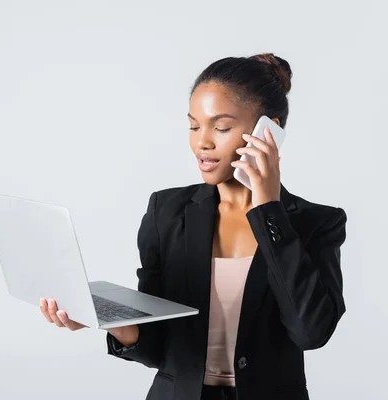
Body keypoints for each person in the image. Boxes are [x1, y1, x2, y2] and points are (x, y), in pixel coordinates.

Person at [38, 53, 348, 400]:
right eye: (194, 125)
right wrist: (111, 321)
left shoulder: (317, 223)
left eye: (221, 127)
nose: (202, 141)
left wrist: (269, 210)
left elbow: (311, 333)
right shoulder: (167, 212)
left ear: (268, 132)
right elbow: (158, 347)